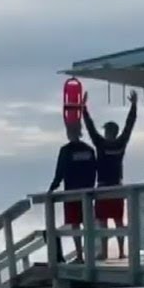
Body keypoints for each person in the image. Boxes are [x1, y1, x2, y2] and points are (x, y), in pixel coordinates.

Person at [82, 90, 138, 259]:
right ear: (116, 131)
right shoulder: (121, 143)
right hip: (117, 186)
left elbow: (90, 128)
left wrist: (83, 108)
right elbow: (129, 125)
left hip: (103, 187)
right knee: (119, 221)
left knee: (103, 222)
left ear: (107, 132)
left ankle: (105, 252)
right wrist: (134, 106)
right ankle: (121, 252)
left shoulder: (101, 144)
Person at [47, 121, 97, 263]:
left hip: (71, 193)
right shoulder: (89, 149)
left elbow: (60, 172)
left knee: (75, 225)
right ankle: (90, 255)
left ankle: (80, 256)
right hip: (87, 192)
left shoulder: (65, 151)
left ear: (69, 133)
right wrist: (91, 188)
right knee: (88, 225)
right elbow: (94, 171)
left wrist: (52, 188)